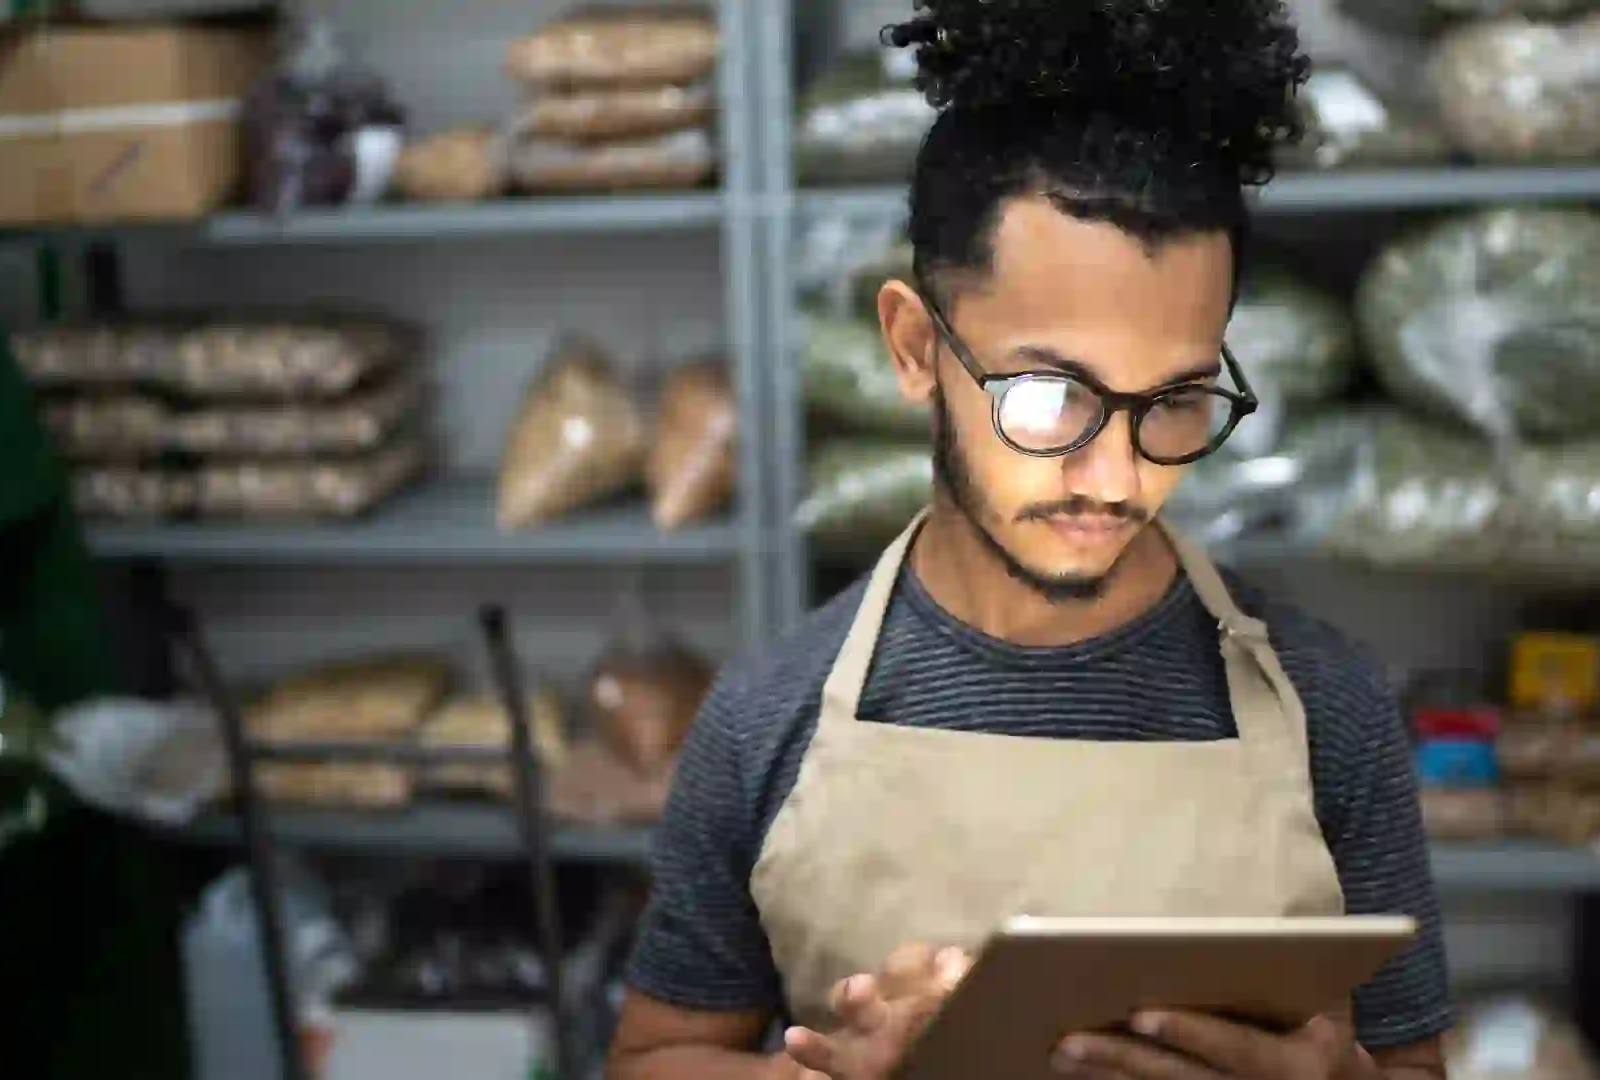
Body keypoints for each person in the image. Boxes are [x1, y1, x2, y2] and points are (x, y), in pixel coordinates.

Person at [606, 3, 1451, 1078]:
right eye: (1051, 396)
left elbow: (1415, 1062)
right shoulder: (767, 720)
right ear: (915, 348)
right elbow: (653, 1058)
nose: (1118, 477)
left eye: (1176, 400)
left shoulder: (1328, 708)